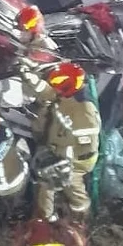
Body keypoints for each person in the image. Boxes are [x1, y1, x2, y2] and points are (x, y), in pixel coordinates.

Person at [31, 61, 101, 224]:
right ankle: (45, 219)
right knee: (45, 183)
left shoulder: (84, 110)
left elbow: (85, 146)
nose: (55, 86)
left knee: (72, 186)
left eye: (59, 83)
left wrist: (64, 163)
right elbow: (47, 92)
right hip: (58, 151)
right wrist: (27, 75)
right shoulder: (67, 95)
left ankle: (80, 215)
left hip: (75, 160)